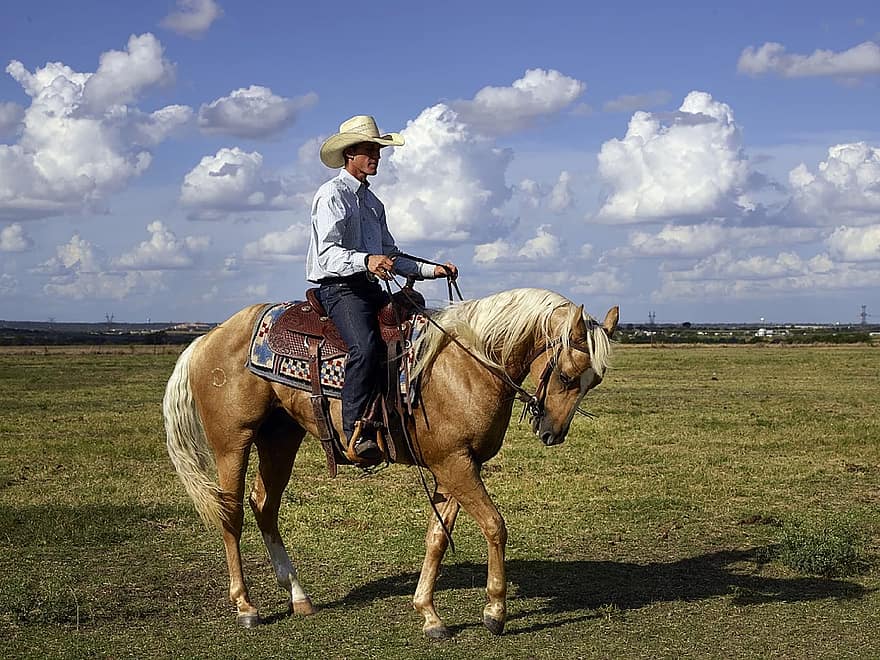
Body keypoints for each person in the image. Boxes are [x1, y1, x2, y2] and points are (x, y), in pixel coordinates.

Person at [306, 115, 458, 462]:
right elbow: (327, 255)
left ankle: (401, 417)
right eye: (369, 150)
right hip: (339, 289)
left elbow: (391, 255)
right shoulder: (331, 196)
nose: (376, 156)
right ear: (350, 154)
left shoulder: (374, 204)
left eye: (378, 150)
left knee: (415, 332)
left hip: (368, 285)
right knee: (365, 346)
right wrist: (366, 261)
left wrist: (433, 269)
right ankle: (354, 431)